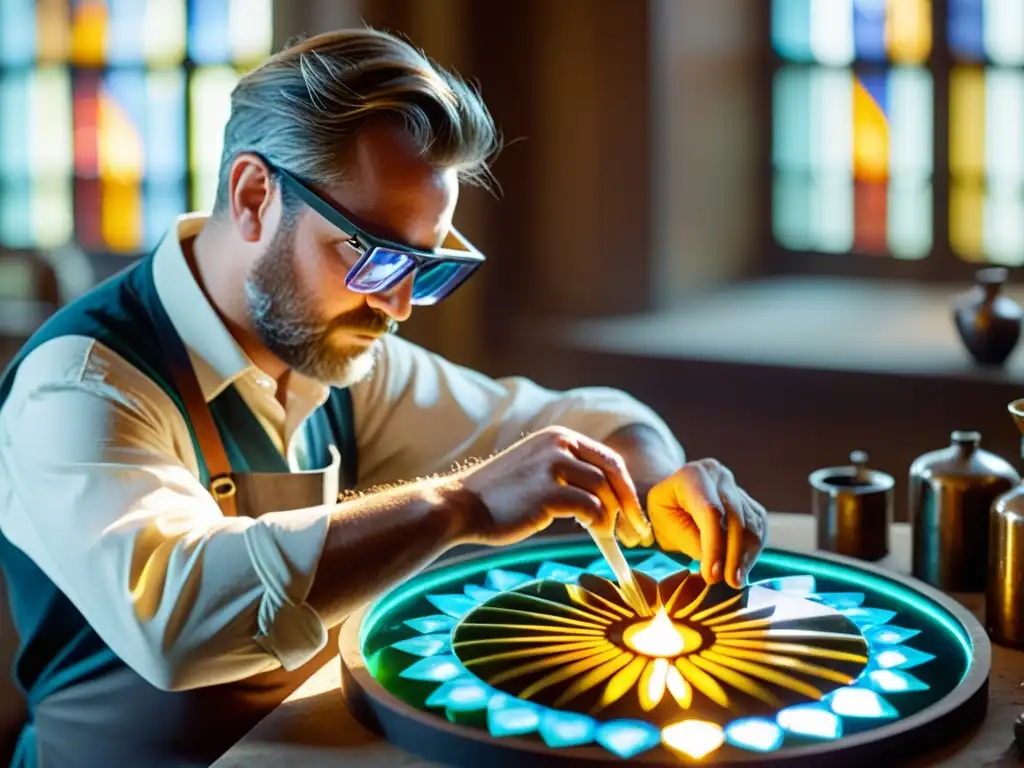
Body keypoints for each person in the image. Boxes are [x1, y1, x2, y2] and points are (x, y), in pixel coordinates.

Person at [0, 27, 766, 768]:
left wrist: (657, 480)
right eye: (370, 256)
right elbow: (175, 620)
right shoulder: (81, 383)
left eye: (424, 266)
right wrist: (456, 505)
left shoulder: (339, 355)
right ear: (255, 194)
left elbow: (574, 421)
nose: (398, 306)